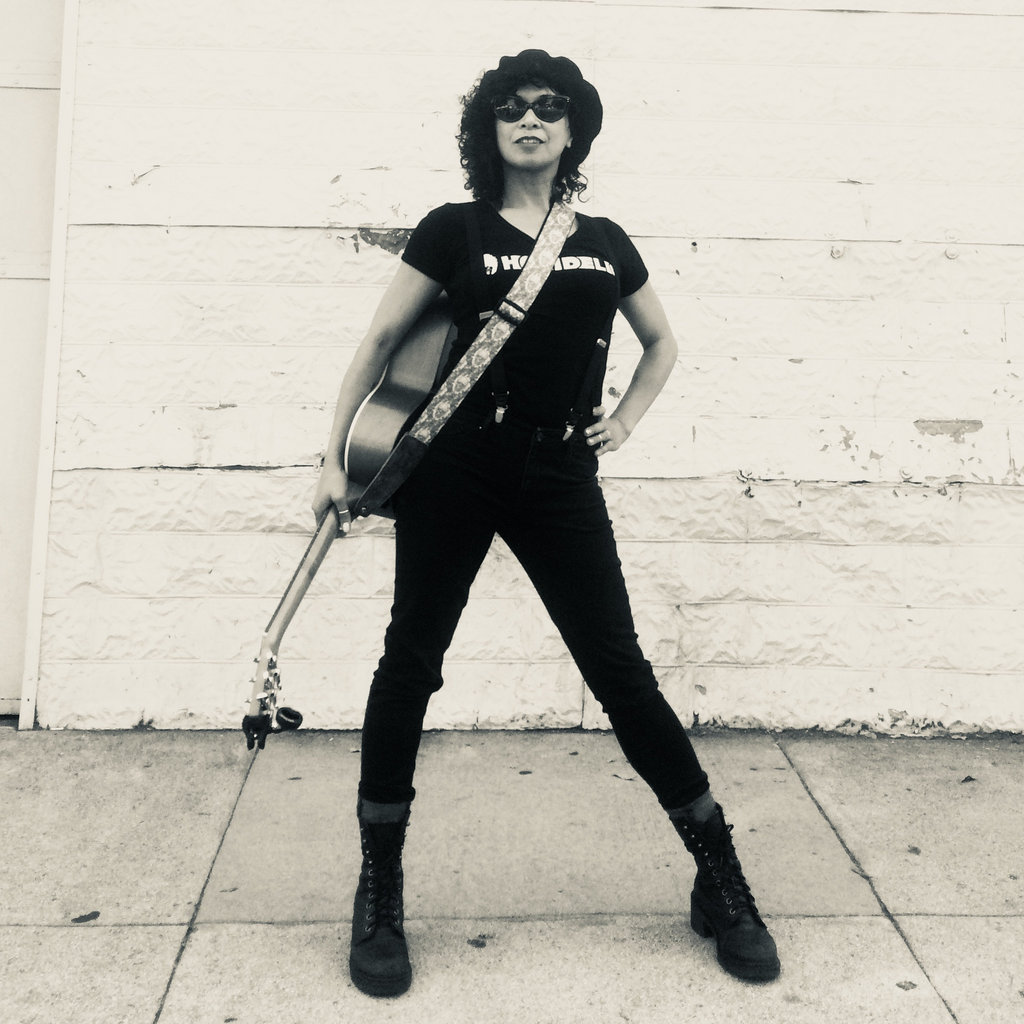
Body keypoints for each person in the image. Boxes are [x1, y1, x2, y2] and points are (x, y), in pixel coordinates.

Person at [312, 49, 780, 997]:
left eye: (549, 107)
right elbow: (381, 341)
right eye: (511, 106)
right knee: (411, 665)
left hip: (560, 473)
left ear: (574, 130)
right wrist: (332, 457)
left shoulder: (603, 239)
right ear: (487, 129)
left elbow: (662, 342)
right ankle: (380, 890)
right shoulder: (453, 229)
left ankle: (720, 876)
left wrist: (625, 422)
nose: (530, 119)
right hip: (456, 470)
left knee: (620, 671)